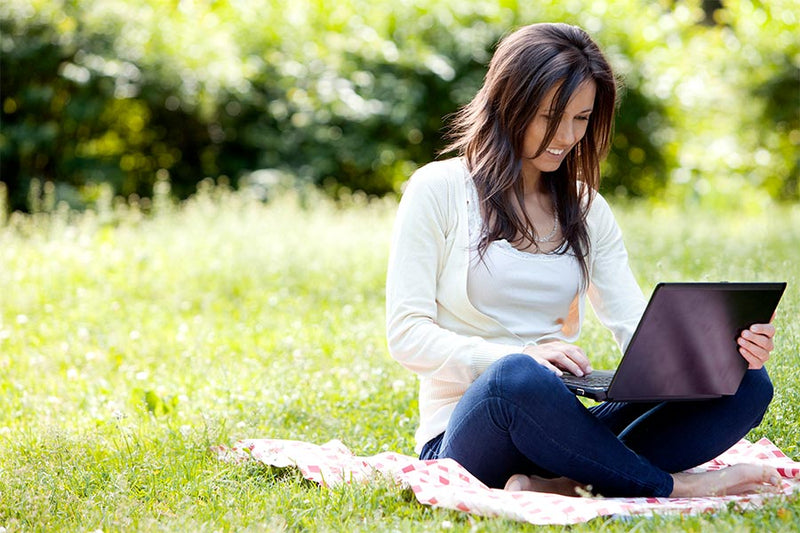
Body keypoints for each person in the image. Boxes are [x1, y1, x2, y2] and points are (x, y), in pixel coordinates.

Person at [385, 22, 781, 498]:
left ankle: (560, 483)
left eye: (581, 118)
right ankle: (673, 487)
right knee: (518, 377)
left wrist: (718, 353)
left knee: (748, 385)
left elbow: (634, 325)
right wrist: (517, 355)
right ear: (508, 101)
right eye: (552, 115)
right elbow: (406, 335)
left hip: (563, 428)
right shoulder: (439, 190)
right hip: (471, 433)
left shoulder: (586, 207)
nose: (567, 136)